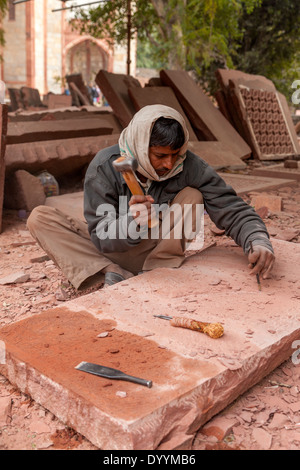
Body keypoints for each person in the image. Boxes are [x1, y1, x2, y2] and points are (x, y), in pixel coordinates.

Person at [27, 105, 274, 289]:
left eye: (175, 154)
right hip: (113, 248)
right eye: (160, 155)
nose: (169, 163)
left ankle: (158, 273)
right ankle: (111, 273)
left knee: (192, 195)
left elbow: (230, 207)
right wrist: (132, 222)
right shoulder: (104, 166)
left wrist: (258, 239)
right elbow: (102, 236)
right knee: (40, 218)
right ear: (140, 145)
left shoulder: (189, 166)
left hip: (160, 251)